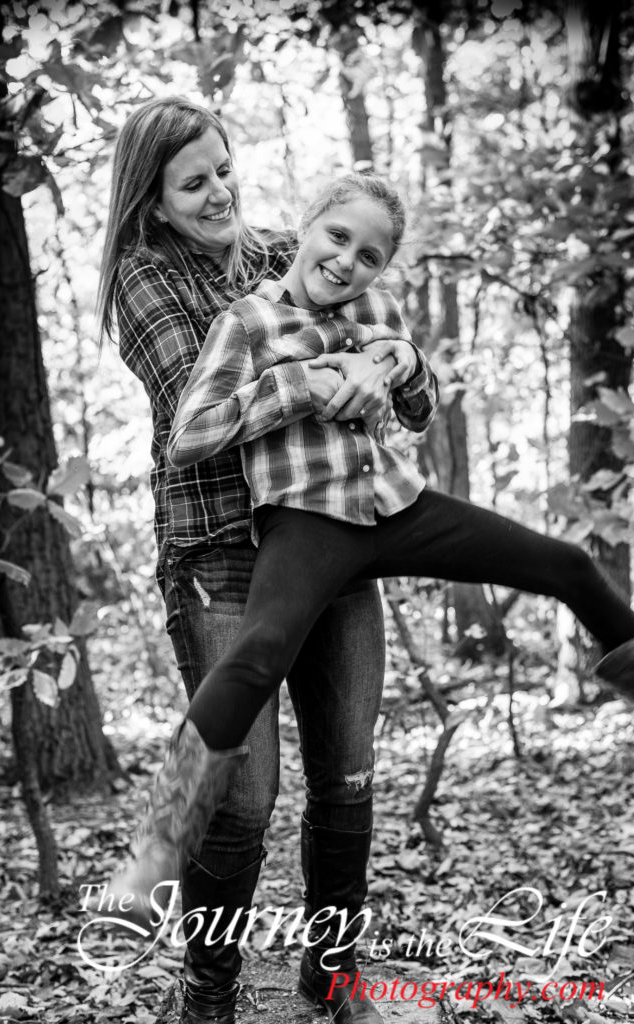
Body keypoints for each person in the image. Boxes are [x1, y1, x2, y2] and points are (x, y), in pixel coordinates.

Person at [116, 172, 634, 937]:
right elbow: (188, 437)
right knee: (256, 655)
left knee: (565, 563)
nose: (347, 262)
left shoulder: (377, 309)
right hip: (307, 521)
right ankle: (158, 844)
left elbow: (417, 415)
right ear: (307, 226)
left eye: (370, 256)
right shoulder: (248, 321)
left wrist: (404, 361)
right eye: (338, 238)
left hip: (397, 506)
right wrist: (296, 385)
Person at [98, 98, 431, 1024]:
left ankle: (333, 975)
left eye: (223, 171)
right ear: (152, 200)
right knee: (242, 794)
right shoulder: (143, 281)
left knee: (347, 772)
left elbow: (394, 362)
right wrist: (333, 371)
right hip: (219, 554)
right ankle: (208, 991)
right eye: (192, 184)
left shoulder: (288, 248)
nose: (218, 194)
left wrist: (394, 355)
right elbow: (200, 408)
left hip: (331, 540)